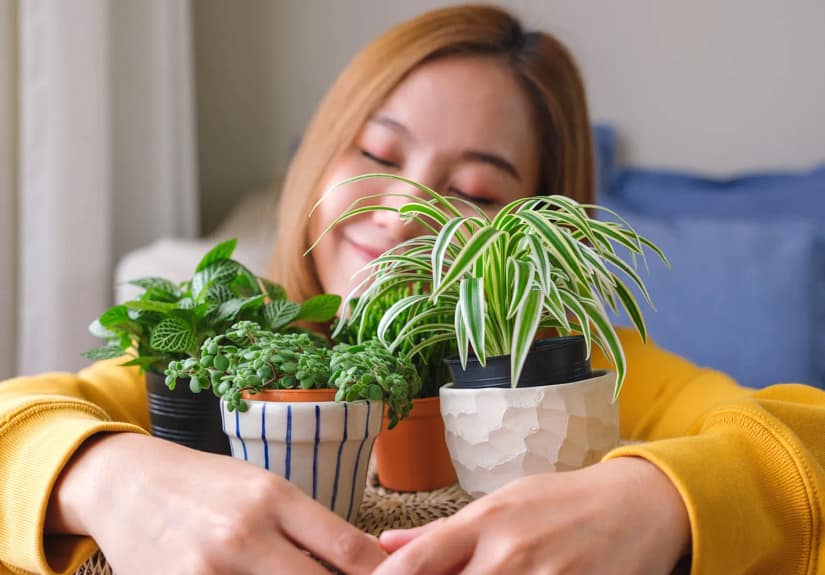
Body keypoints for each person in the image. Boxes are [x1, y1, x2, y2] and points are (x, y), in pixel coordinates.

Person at [1, 5, 823, 575]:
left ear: (538, 234)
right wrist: (105, 475)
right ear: (318, 157)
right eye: (380, 155)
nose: (403, 214)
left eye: (472, 188)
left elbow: (803, 439)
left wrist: (659, 498)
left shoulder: (582, 380)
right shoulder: (231, 342)